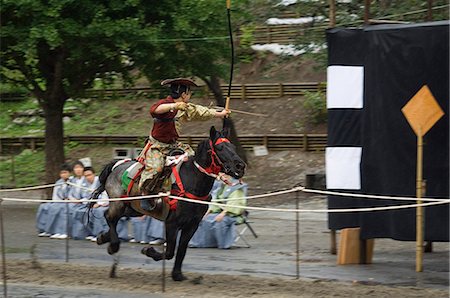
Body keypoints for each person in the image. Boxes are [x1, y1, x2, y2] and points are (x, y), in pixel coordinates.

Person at [139, 78, 230, 211]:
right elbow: (155, 110)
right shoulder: (166, 104)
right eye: (189, 93)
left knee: (194, 159)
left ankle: (186, 189)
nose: (190, 96)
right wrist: (174, 106)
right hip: (157, 146)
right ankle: (145, 194)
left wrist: (221, 114)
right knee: (156, 168)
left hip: (174, 145)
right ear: (183, 94)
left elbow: (201, 111)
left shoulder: (185, 107)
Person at [189, 177, 247, 249]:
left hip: (232, 215)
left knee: (220, 221)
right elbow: (215, 202)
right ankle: (201, 243)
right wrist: (207, 212)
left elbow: (235, 204)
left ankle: (223, 244)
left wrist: (223, 213)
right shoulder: (221, 187)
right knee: (200, 219)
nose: (223, 177)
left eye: (225, 176)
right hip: (218, 212)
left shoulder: (237, 188)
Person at [46, 161, 86, 239]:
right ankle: (53, 230)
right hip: (72, 200)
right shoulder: (73, 180)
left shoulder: (86, 179)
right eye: (76, 168)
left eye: (80, 167)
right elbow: (70, 193)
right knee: (50, 207)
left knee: (65, 208)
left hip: (82, 202)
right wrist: (71, 199)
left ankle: (65, 232)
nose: (78, 170)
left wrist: (79, 200)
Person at [36, 163, 72, 237]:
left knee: (59, 208)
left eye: (65, 172)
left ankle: (61, 231)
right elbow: (55, 196)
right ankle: (44, 229)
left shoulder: (73, 181)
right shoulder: (59, 182)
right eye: (62, 173)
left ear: (69, 173)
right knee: (44, 207)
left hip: (69, 201)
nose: (63, 175)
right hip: (58, 201)